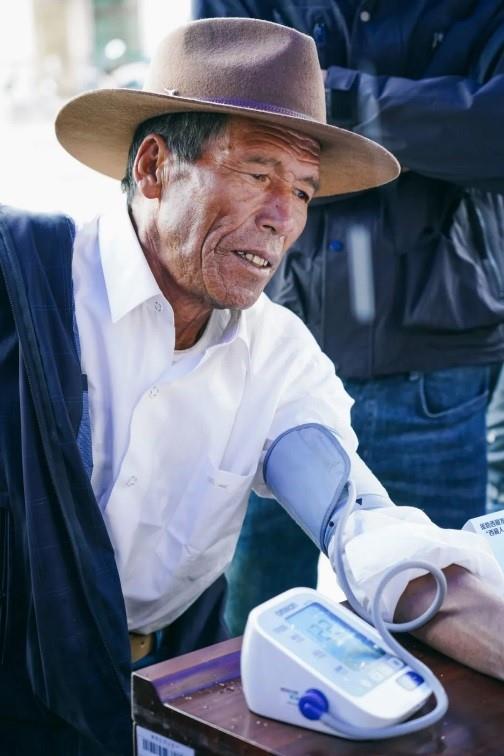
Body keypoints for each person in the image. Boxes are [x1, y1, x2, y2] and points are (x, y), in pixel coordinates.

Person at [1, 17, 504, 756]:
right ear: (153, 167)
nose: (282, 220)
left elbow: (360, 527)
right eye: (257, 174)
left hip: (157, 691)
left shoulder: (276, 355)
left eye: (302, 191)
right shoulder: (25, 285)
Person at [193, 1, 504, 634]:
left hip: (435, 372)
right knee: (248, 629)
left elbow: (494, 136)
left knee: (445, 616)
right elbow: (214, 107)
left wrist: (326, 97)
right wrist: (431, 110)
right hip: (263, 356)